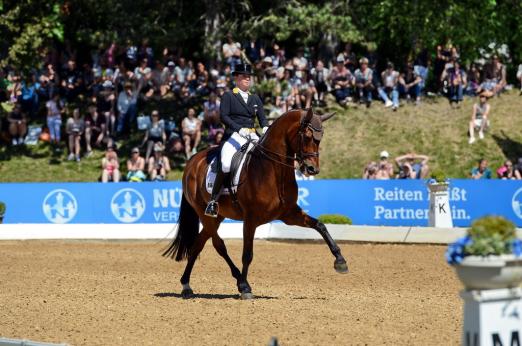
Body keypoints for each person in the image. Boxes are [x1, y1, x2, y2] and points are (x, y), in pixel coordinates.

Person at [205, 63, 269, 217]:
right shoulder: (228, 95)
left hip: (253, 135)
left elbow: (263, 119)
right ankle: (213, 201)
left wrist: (266, 129)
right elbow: (224, 116)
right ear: (236, 78)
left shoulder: (255, 98)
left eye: (249, 76)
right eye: (243, 76)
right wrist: (239, 129)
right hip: (234, 135)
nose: (247, 79)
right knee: (226, 163)